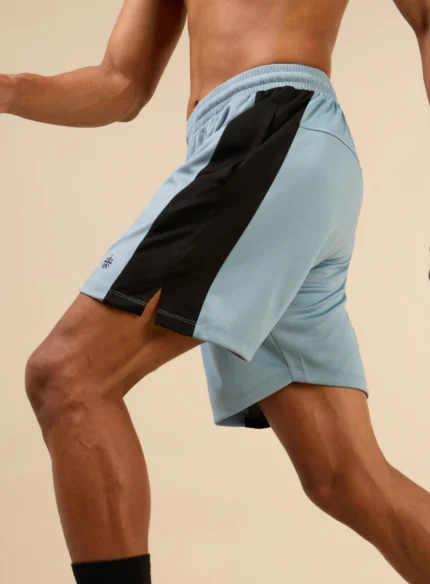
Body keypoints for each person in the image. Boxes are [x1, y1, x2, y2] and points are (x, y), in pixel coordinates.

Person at [1, 0, 429, 582]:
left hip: (272, 130)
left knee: (66, 375)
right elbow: (120, 83)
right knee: (345, 477)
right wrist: (9, 89)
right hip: (258, 151)